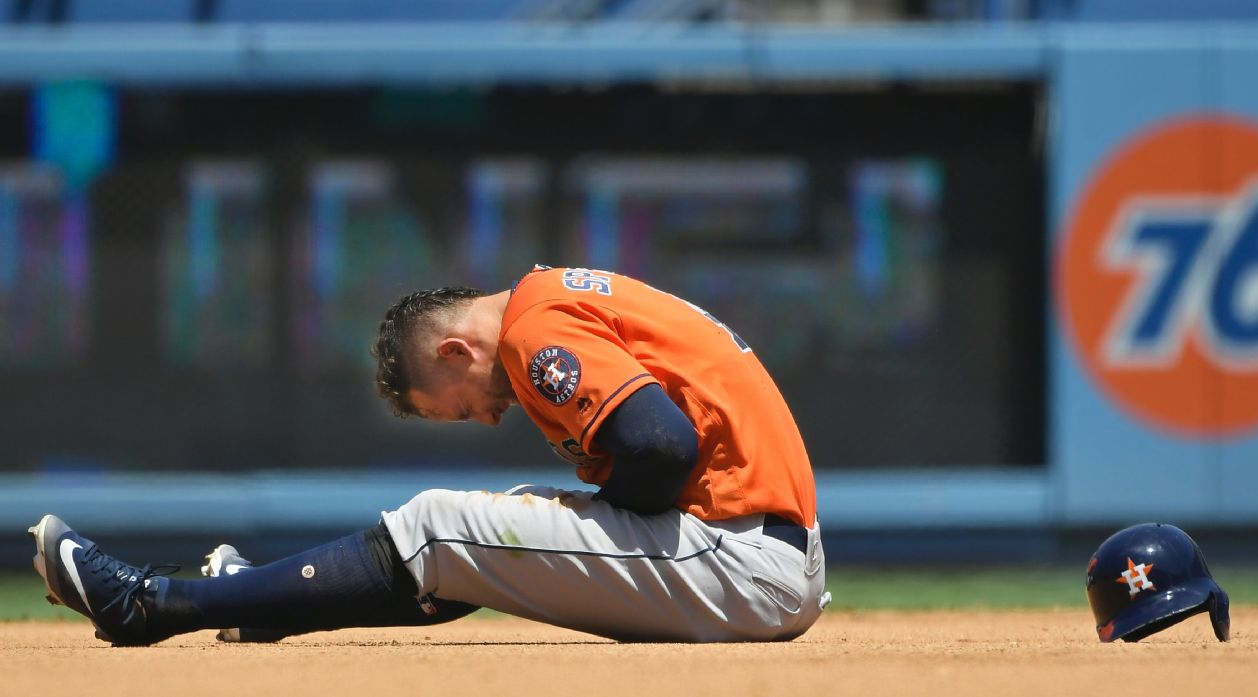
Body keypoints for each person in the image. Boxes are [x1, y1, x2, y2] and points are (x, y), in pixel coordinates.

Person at [30, 265, 827, 645]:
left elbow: (659, 446)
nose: (482, 419)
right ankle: (256, 604)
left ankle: (155, 605)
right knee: (492, 534)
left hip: (743, 562)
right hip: (764, 551)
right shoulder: (559, 295)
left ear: (452, 350)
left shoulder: (531, 329)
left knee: (443, 524)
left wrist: (608, 499)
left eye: (456, 405)